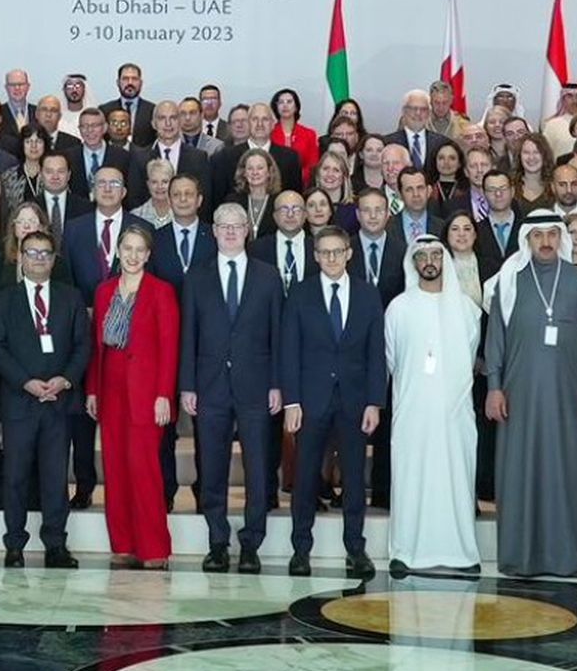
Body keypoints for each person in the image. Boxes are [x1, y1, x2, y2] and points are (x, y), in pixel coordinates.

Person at [483, 210, 577, 578]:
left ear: (562, 238)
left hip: (570, 399)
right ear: (527, 240)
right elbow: (496, 342)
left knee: (565, 474)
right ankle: (519, 558)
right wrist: (493, 388)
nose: (546, 241)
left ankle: (565, 558)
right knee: (518, 474)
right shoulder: (509, 281)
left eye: (552, 234)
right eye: (538, 236)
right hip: (517, 397)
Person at [179, 203, 281, 573]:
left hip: (256, 386)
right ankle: (217, 541)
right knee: (213, 466)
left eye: (238, 226)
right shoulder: (196, 276)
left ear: (247, 231)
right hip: (209, 388)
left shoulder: (268, 277)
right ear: (215, 231)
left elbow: (277, 335)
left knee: (257, 468)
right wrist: (187, 385)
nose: (231, 232)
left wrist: (276, 384)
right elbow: (188, 334)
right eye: (223, 226)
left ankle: (252, 543)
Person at [281, 225, 385, 578]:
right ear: (315, 255)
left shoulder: (368, 295)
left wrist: (374, 401)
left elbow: (376, 354)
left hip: (355, 402)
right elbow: (289, 350)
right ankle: (300, 549)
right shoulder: (300, 293)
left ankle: (356, 549)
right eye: (324, 252)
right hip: (310, 401)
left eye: (337, 251)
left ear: (349, 253)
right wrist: (291, 402)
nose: (331, 258)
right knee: (306, 477)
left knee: (354, 479)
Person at [0, 228, 88, 569]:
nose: (39, 259)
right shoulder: (3, 299)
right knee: (15, 476)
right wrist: (25, 382)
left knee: (55, 476)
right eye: (32, 252)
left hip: (59, 402)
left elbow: (82, 346)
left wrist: (65, 380)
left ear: (53, 258)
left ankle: (56, 545)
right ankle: (14, 545)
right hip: (19, 402)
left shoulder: (71, 297)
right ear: (21, 256)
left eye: (46, 253)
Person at [383, 233, 482, 574]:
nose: (429, 261)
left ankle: (462, 554)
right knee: (412, 480)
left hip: (454, 415)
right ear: (413, 262)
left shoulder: (467, 310)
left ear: (445, 261)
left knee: (455, 480)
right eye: (422, 256)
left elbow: (469, 357)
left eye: (436, 256)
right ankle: (406, 552)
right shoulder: (398, 308)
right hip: (412, 414)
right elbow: (392, 360)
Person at [86, 223, 178, 569]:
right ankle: (123, 544)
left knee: (144, 469)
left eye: (140, 250)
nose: (133, 255)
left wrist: (163, 395)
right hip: (110, 388)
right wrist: (93, 389)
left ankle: (154, 548)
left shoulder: (160, 291)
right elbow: (97, 346)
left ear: (148, 255)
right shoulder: (104, 290)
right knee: (115, 467)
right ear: (118, 251)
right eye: (128, 248)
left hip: (146, 390)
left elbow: (170, 348)